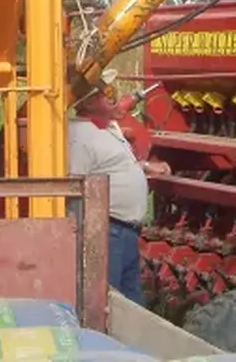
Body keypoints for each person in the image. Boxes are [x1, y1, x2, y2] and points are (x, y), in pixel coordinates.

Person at [67, 79, 169, 304]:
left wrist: (146, 167)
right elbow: (74, 186)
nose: (112, 97)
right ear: (90, 102)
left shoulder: (106, 128)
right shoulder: (80, 137)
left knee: (130, 305)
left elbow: (114, 164)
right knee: (109, 304)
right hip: (107, 231)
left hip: (126, 232)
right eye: (106, 93)